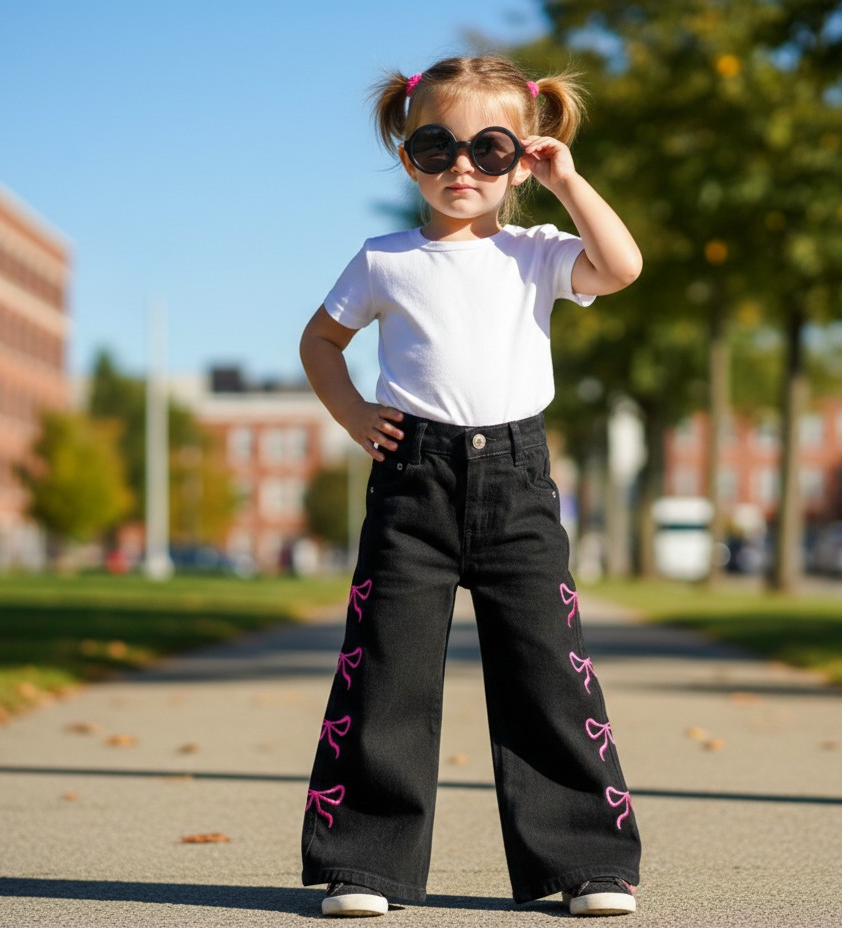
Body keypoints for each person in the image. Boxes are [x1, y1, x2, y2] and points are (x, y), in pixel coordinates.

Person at [299, 54, 642, 918]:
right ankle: (365, 866)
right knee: (385, 674)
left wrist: (567, 182)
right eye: (435, 145)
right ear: (406, 152)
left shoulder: (537, 254)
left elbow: (622, 267)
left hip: (516, 482)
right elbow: (320, 343)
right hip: (411, 483)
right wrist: (350, 415)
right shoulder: (384, 259)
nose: (461, 166)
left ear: (520, 158)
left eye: (489, 150)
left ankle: (586, 864)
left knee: (547, 673)